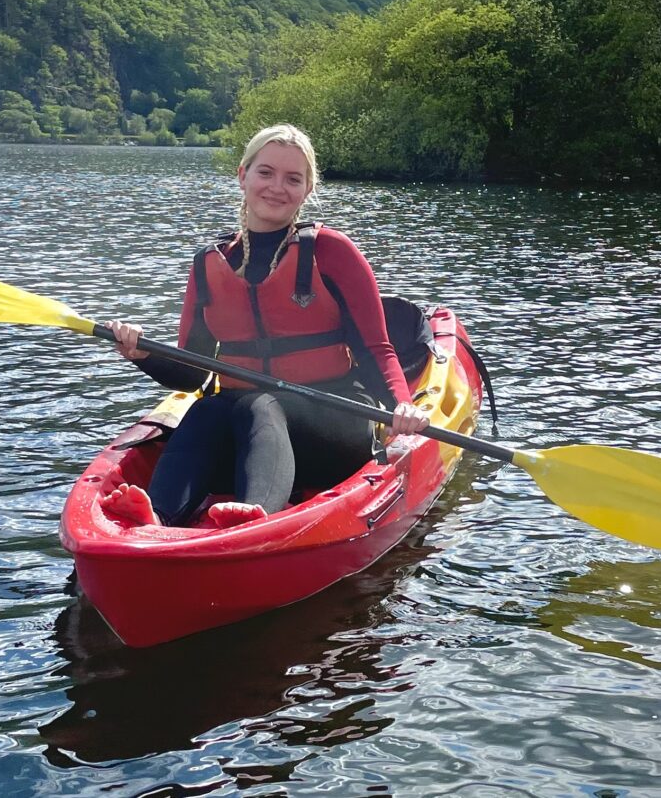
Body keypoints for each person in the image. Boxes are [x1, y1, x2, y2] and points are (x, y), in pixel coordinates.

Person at [100, 123, 430, 529]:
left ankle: (257, 516)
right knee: (209, 408)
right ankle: (160, 515)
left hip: (334, 427)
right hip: (246, 437)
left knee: (260, 402)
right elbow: (192, 373)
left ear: (308, 190)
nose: (277, 187)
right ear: (243, 175)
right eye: (266, 173)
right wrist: (142, 352)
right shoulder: (209, 263)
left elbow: (375, 348)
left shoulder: (332, 251)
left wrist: (401, 403)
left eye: (293, 179)